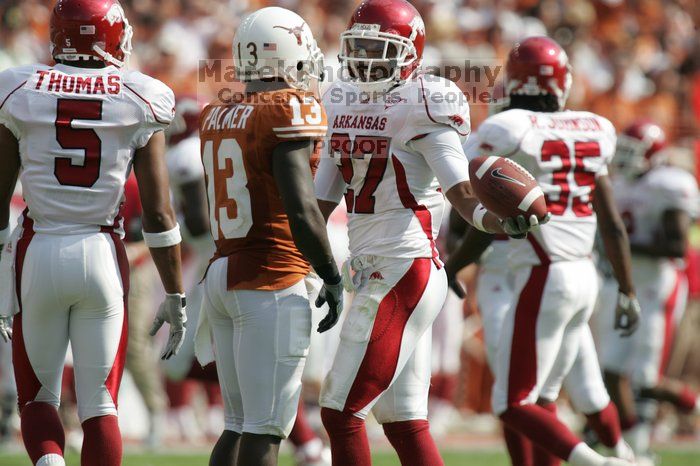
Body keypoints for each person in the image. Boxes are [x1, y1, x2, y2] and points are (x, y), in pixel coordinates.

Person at [313, 1, 543, 464]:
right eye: (358, 47)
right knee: (402, 421)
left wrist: (495, 222)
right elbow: (321, 202)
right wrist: (309, 260)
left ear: (410, 54)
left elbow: (460, 192)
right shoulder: (340, 101)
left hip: (405, 270)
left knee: (341, 412)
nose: (364, 59)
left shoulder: (425, 101)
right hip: (370, 268)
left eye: (378, 50)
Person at [0, 1, 187, 465]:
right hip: (102, 253)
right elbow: (161, 215)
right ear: (111, 36)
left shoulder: (18, 87)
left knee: (38, 399)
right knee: (100, 406)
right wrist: (175, 293)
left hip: (38, 251)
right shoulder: (141, 94)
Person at [462, 36, 642, 466]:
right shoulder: (594, 127)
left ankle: (602, 462)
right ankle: (624, 454)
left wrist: (452, 263)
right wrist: (627, 290)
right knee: (547, 396)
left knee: (513, 402)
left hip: (541, 272)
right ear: (561, 83)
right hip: (586, 274)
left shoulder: (507, 129)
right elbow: (612, 225)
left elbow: (461, 192)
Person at [195, 7, 343, 466]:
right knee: (266, 430)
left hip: (222, 273)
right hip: (271, 278)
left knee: (237, 426)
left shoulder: (217, 113)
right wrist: (331, 275)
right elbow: (300, 208)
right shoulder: (288, 108)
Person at [598, 119, 700, 463]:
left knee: (645, 379)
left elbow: (675, 246)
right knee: (611, 370)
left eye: (632, 152)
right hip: (627, 286)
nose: (625, 159)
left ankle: (693, 408)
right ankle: (637, 449)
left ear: (654, 155)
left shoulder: (669, 185)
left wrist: (619, 246)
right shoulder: (620, 183)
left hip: (659, 287)